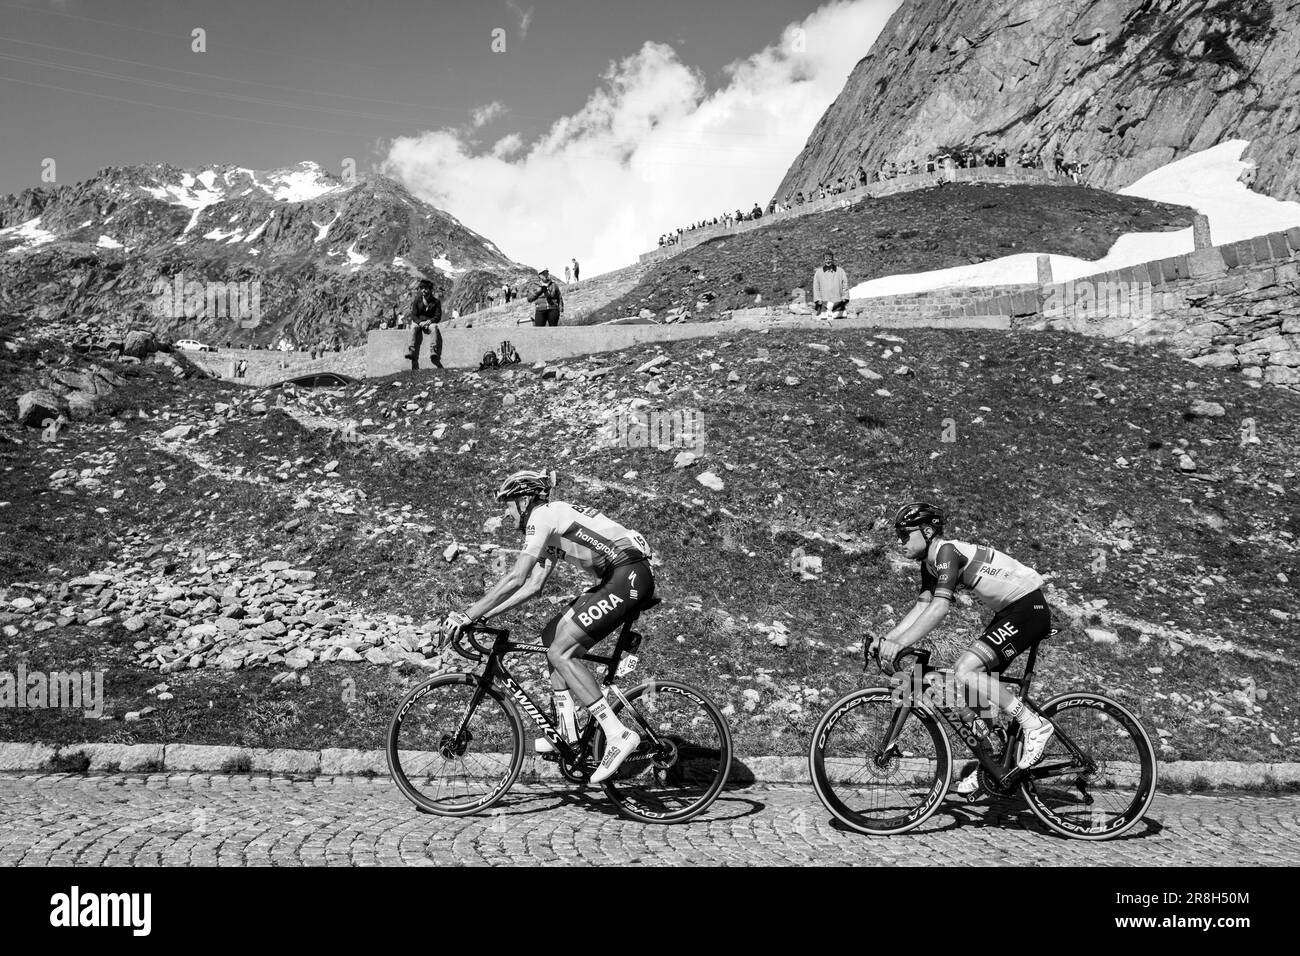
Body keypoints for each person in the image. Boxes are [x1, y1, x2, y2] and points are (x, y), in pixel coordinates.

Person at [441, 470, 656, 783]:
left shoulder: (541, 516)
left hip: (628, 577)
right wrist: (487, 616)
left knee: (561, 653)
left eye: (508, 505)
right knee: (551, 636)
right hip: (621, 576)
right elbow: (534, 585)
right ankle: (567, 733)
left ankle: (617, 734)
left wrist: (467, 615)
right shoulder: (552, 521)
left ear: (524, 500)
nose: (506, 514)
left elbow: (517, 576)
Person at [870, 503, 1056, 795]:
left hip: (1028, 610)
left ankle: (1034, 724)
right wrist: (887, 639)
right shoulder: (930, 563)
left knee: (966, 669)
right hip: (1009, 612)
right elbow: (922, 607)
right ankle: (993, 765)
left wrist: (900, 644)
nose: (900, 541)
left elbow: (940, 608)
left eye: (905, 534)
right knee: (972, 688)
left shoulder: (947, 553)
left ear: (927, 532)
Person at [409, 278, 443, 369]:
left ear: (430, 289)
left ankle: (433, 351)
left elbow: (438, 316)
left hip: (430, 322)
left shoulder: (436, 302)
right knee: (413, 327)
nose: (423, 290)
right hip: (419, 322)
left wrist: (431, 321)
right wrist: (419, 322)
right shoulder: (417, 300)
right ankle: (411, 350)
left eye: (426, 288)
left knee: (434, 327)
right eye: (422, 288)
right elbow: (413, 315)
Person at [812, 250, 849, 319]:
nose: (828, 261)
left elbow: (845, 285)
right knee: (825, 322)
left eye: (830, 259)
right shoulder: (819, 273)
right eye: (826, 259)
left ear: (832, 260)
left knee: (839, 322)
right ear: (824, 260)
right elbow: (816, 287)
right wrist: (818, 299)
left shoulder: (840, 271)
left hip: (838, 301)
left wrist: (845, 297)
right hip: (824, 302)